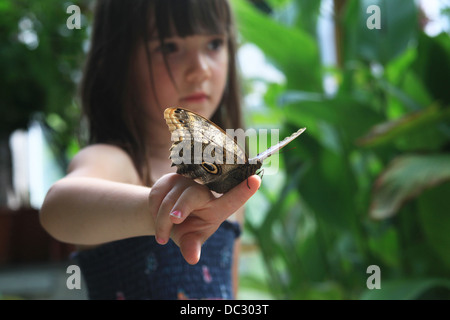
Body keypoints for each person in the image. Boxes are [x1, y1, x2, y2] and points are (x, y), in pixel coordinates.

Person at [39, 0, 260, 300]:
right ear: (119, 60)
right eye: (170, 47)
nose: (200, 70)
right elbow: (57, 208)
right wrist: (160, 208)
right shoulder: (117, 163)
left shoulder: (229, 182)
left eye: (214, 43)